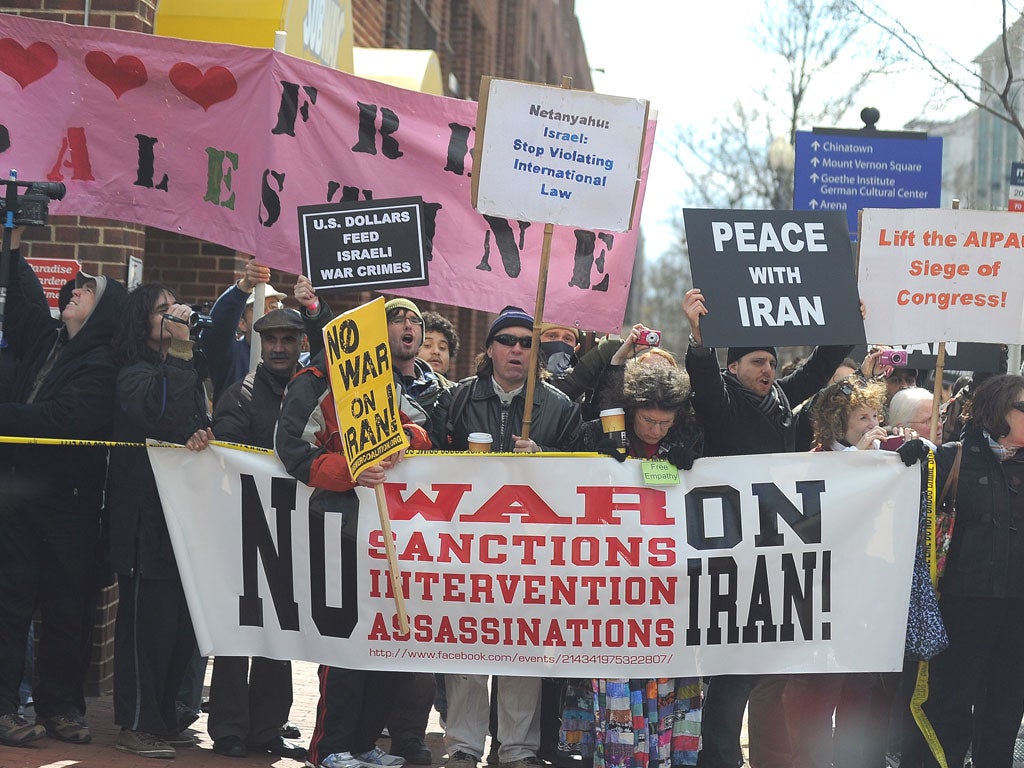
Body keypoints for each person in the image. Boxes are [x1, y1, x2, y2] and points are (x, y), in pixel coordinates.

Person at [682, 287, 854, 768]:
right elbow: (705, 385)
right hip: (729, 549)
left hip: (773, 550)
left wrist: (842, 324)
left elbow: (817, 372)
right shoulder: (724, 402)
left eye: (772, 363)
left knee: (758, 667)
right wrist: (700, 339)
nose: (768, 371)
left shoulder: (778, 397)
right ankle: (719, 758)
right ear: (733, 367)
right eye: (757, 362)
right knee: (733, 672)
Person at [429, 305, 581, 768]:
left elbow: (582, 473)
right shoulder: (455, 399)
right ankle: (463, 746)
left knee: (523, 645)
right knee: (468, 644)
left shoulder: (559, 406)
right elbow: (428, 456)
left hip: (532, 551)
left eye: (526, 342)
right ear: (489, 348)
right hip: (467, 548)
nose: (517, 349)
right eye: (508, 340)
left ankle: (517, 749)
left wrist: (545, 456)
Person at [275, 347, 432, 768]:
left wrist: (403, 441)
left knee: (382, 639)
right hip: (334, 528)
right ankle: (329, 748)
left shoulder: (382, 381)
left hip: (383, 533)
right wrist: (351, 471)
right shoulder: (310, 384)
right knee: (343, 643)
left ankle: (363, 742)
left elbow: (418, 426)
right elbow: (292, 451)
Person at [0, 228, 126, 747]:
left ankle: (61, 709)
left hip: (70, 512)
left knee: (65, 614)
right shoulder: (48, 340)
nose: (74, 289)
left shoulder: (102, 365)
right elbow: (26, 302)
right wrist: (13, 247)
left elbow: (60, 419)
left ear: (102, 313)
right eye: (73, 286)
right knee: (9, 607)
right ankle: (5, 709)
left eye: (86, 290)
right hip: (18, 502)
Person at [561, 361, 704, 768]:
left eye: (665, 422)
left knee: (664, 683)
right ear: (628, 409)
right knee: (616, 685)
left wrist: (690, 462)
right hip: (609, 588)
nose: (656, 430)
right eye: (647, 420)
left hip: (666, 591)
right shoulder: (595, 433)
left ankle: (660, 756)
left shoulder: (690, 437)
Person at [106, 283, 214, 759]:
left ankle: (164, 716)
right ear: (141, 322)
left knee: (176, 627)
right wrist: (180, 350)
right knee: (144, 629)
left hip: (180, 523)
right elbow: (158, 413)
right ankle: (136, 723)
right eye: (162, 311)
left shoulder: (184, 366)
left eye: (176, 308)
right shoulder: (134, 372)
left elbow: (185, 421)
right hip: (142, 524)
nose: (174, 315)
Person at [783, 376, 913, 768]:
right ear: (838, 423)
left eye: (875, 414)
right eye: (861, 417)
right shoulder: (817, 459)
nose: (872, 423)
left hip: (869, 592)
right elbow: (813, 523)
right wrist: (857, 460)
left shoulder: (885, 456)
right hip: (826, 593)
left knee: (861, 690)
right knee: (822, 693)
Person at [901, 374, 1024, 768]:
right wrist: (906, 458)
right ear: (998, 410)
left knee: (1004, 713)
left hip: (1017, 612)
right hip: (959, 607)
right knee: (947, 709)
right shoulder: (950, 458)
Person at [205, 308, 307, 761]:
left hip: (297, 530)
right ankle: (228, 728)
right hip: (245, 529)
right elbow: (224, 455)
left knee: (279, 632)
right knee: (239, 631)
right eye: (272, 340)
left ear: (302, 342)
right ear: (261, 345)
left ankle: (267, 726)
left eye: (288, 339)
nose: (279, 347)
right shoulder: (240, 395)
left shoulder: (315, 391)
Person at [198, 260, 285, 402]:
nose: (268, 312)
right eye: (258, 307)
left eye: (273, 306)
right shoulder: (231, 355)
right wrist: (244, 286)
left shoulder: (290, 356)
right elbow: (216, 330)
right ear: (242, 323)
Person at [422, 310, 460, 378]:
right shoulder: (399, 386)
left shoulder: (458, 388)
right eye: (427, 345)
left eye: (442, 348)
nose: (436, 351)